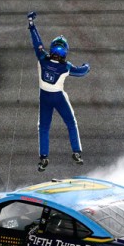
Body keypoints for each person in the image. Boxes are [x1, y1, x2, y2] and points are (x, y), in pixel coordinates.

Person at [27, 11, 90, 171]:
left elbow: (37, 42)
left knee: (43, 127)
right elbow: (81, 71)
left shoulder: (42, 57)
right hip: (58, 97)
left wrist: (31, 24)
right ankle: (76, 152)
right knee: (71, 123)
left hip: (44, 97)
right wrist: (87, 66)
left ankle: (44, 158)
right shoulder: (66, 66)